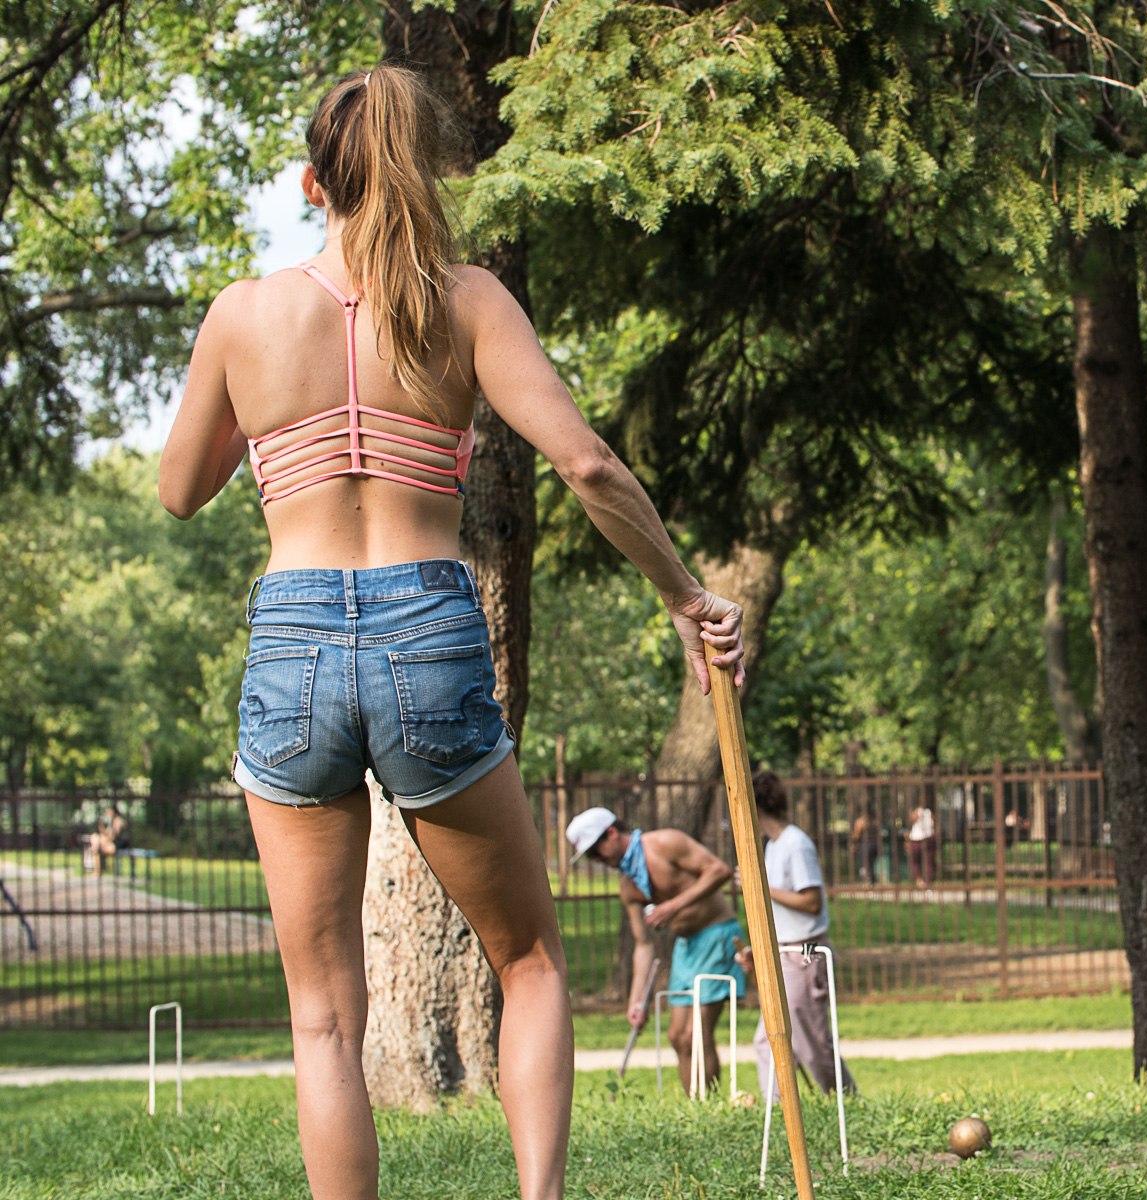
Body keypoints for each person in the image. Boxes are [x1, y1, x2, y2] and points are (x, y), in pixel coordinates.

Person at [158, 65, 744, 1200]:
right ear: (426, 171)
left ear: (313, 182)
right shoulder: (465, 299)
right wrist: (683, 593)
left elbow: (181, 488)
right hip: (425, 622)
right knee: (526, 962)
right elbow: (585, 464)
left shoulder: (244, 315)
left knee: (325, 1015)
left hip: (293, 636)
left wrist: (274, 423)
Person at [566, 807, 744, 1096]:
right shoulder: (630, 885)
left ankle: (711, 1107)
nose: (597, 860)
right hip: (686, 947)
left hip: (717, 935)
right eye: (590, 857)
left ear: (611, 833)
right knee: (677, 1036)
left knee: (695, 1034)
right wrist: (636, 1001)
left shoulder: (665, 843)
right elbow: (644, 944)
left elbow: (719, 871)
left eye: (595, 851)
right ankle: (695, 1107)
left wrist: (672, 906)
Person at [735, 771, 857, 1102]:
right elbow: (780, 913)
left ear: (755, 808)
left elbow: (811, 901)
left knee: (811, 1042)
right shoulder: (772, 847)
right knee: (767, 1040)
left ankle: (847, 1102)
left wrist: (760, 886)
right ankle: (777, 1111)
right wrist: (758, 950)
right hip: (783, 952)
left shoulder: (795, 844)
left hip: (805, 954)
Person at [84, 804, 130, 874]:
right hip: (112, 843)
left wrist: (104, 842)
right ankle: (97, 871)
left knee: (97, 849)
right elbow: (106, 834)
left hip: (119, 844)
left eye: (108, 811)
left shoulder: (118, 821)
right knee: (95, 840)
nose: (107, 814)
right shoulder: (112, 821)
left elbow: (113, 836)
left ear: (113, 811)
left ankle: (97, 872)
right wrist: (101, 828)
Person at [906, 800, 937, 888]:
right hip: (929, 838)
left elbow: (911, 821)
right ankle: (928, 883)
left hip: (917, 840)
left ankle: (920, 881)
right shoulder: (929, 813)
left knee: (915, 862)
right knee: (929, 863)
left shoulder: (918, 812)